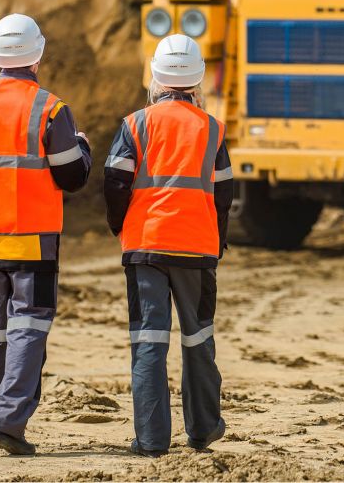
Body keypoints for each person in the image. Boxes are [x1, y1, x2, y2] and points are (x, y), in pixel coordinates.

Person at [0, 13, 92, 455]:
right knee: (27, 327)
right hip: (33, 237)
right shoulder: (50, 108)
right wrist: (82, 145)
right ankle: (7, 422)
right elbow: (72, 175)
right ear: (37, 56)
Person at [103, 34, 233, 458]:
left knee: (149, 342)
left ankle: (152, 441)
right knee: (198, 341)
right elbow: (224, 194)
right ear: (197, 83)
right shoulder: (212, 128)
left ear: (156, 78)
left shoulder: (135, 123)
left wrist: (119, 226)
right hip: (197, 250)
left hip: (146, 248)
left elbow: (115, 180)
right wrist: (218, 240)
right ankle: (203, 429)